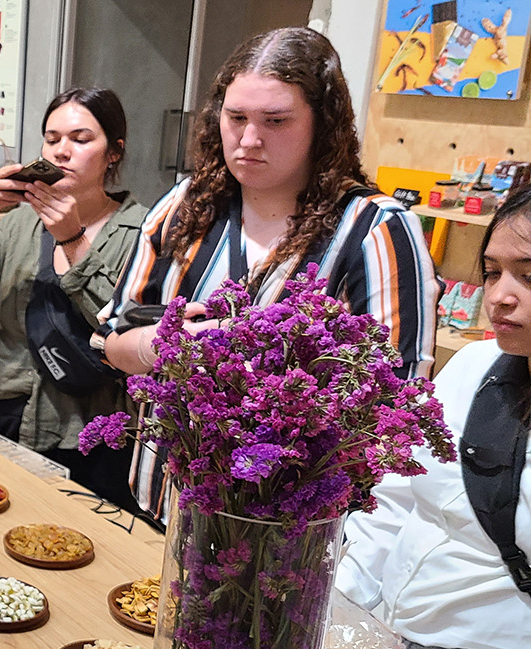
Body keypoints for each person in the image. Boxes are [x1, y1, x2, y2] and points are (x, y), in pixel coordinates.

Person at [99, 27, 437, 527]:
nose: (249, 140)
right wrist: (165, 348)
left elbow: (396, 401)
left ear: (323, 126)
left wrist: (253, 371)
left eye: (275, 121)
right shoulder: (187, 204)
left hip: (281, 532)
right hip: (163, 502)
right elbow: (111, 337)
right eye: (235, 118)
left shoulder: (374, 229)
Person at [336, 185, 531, 649]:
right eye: (492, 272)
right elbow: (396, 498)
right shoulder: (474, 363)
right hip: (388, 648)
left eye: (529, 274)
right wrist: (338, 614)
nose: (500, 297)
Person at [0, 88, 147, 508]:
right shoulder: (18, 225)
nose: (62, 152)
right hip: (12, 413)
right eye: (52, 139)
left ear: (114, 152)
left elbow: (125, 326)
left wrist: (71, 238)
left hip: (96, 429)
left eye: (81, 139)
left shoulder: (143, 231)